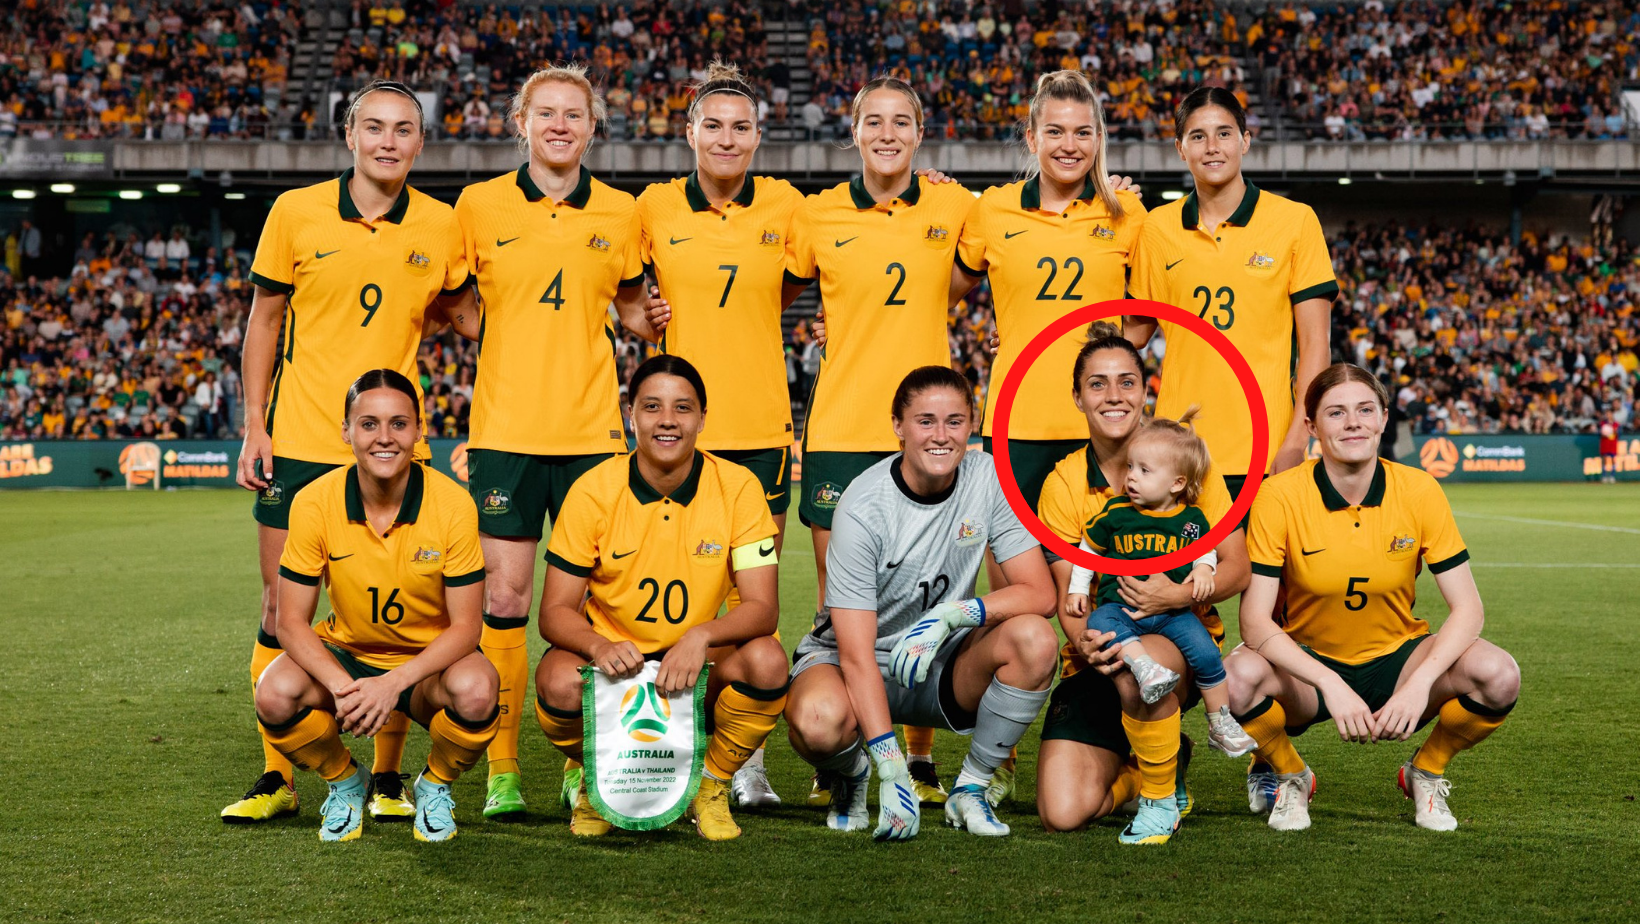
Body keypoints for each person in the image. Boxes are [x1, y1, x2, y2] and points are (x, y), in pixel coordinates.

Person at [228, 80, 468, 825]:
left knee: (402, 619)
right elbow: (263, 322)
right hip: (301, 440)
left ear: (420, 144)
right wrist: (254, 424)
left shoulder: (441, 224)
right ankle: (280, 778)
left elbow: (464, 311)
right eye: (374, 127)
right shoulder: (294, 212)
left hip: (396, 444)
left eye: (403, 129)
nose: (388, 141)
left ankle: (389, 779)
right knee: (280, 608)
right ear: (350, 135)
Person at [442, 64, 661, 820]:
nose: (561, 125)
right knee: (503, 598)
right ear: (522, 122)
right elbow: (449, 303)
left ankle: (578, 762)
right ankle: (503, 768)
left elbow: (632, 305)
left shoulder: (623, 211)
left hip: (595, 435)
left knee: (594, 611)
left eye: (575, 114)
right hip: (504, 433)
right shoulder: (477, 205)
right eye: (547, 113)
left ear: (592, 128)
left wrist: (651, 319)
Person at [784, 75, 976, 807]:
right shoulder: (816, 215)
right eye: (874, 122)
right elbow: (768, 289)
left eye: (901, 122)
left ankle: (919, 756)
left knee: (929, 598)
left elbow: (964, 276)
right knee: (844, 610)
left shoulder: (955, 205)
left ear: (919, 132)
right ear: (855, 132)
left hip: (927, 432)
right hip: (839, 429)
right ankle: (853, 753)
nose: (888, 133)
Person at [1224, 363, 1520, 832]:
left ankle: (1426, 769)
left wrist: (1420, 683)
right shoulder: (1278, 495)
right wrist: (1332, 686)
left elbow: (1469, 609)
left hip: (1396, 659)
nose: (1353, 422)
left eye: (1365, 410)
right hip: (1308, 661)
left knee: (1499, 675)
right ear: (1311, 426)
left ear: (1384, 418)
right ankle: (1290, 774)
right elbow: (1256, 623)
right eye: (1336, 413)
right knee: (1235, 679)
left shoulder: (1419, 489)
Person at [783, 366, 1059, 841]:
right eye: (925, 421)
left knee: (1035, 638)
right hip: (853, 662)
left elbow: (1040, 593)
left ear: (971, 424)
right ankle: (852, 776)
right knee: (815, 722)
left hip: (942, 658)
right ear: (898, 426)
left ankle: (970, 788)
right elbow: (853, 653)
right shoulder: (862, 506)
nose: (941, 435)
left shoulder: (989, 477)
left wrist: (953, 614)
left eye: (954, 421)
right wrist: (892, 768)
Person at [633, 61, 805, 809]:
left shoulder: (790, 206)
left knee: (750, 597)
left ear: (759, 137)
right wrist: (636, 318)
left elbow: (791, 286)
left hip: (761, 430)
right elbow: (611, 286)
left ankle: (746, 757)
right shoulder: (651, 207)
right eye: (714, 125)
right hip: (672, 434)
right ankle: (664, 735)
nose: (727, 138)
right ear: (690, 134)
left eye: (741, 127)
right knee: (673, 590)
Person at [532, 356, 786, 841]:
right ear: (632, 415)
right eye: (652, 407)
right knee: (557, 680)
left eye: (682, 408)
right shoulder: (592, 490)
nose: (667, 420)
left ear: (702, 419)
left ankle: (709, 784)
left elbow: (762, 607)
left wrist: (702, 635)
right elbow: (554, 612)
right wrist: (599, 648)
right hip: (613, 668)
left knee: (768, 661)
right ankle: (594, 780)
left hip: (696, 666)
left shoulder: (738, 488)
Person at [254, 369, 497, 843]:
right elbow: (290, 622)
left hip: (426, 668)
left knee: (478, 688)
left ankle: (434, 785)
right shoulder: (312, 503)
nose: (384, 438)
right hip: (348, 654)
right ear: (346, 431)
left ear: (419, 431)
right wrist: (346, 689)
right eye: (368, 424)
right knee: (273, 692)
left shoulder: (452, 505)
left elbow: (468, 628)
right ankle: (346, 782)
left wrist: (393, 684)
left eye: (399, 424)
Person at [1033, 323, 1250, 844]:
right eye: (1098, 383)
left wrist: (1180, 593)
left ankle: (1158, 803)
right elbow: (1071, 593)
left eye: (1127, 382)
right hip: (1098, 648)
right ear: (1078, 397)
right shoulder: (1064, 481)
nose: (1114, 396)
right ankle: (1159, 765)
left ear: (1146, 390)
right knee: (1063, 813)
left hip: (1177, 638)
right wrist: (1091, 642)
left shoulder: (1188, 459)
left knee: (1140, 671)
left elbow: (1237, 567)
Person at [1126, 86, 1336, 489]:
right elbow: (1132, 335)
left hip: (1267, 447)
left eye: (1224, 133)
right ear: (1179, 148)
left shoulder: (1294, 221)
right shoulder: (1156, 227)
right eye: (1197, 136)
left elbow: (1315, 346)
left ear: (1245, 141)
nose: (1212, 147)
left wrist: (1297, 440)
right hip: (1179, 450)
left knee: (1260, 556)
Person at [1062, 410, 1256, 763]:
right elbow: (1087, 549)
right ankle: (1144, 666)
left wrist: (1202, 570)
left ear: (1177, 484)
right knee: (1100, 624)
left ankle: (1220, 721)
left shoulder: (1191, 519)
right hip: (1118, 608)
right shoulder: (1115, 512)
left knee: (1208, 654)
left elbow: (1206, 552)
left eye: (1144, 471)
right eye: (1131, 467)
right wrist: (1078, 588)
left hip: (1173, 614)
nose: (1131, 477)